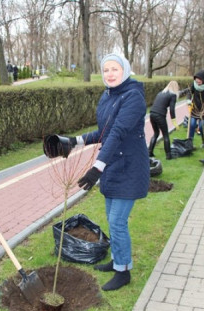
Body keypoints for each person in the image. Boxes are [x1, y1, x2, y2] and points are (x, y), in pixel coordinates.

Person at [53, 53, 150, 291]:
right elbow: (104, 132)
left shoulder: (133, 97)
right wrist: (73, 141)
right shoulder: (107, 95)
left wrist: (97, 167)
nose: (110, 74)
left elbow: (117, 133)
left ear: (125, 70)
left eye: (114, 69)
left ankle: (123, 271)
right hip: (112, 166)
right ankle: (117, 260)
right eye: (106, 70)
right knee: (112, 218)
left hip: (128, 167)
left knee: (117, 222)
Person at [182, 70, 204, 148]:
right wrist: (188, 100)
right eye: (196, 81)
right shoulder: (194, 84)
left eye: (199, 81)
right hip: (195, 108)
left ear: (203, 80)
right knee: (192, 124)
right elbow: (190, 92)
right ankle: (190, 143)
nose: (198, 83)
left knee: (201, 126)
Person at [148, 81, 180, 160]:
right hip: (160, 115)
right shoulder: (173, 95)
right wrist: (174, 122)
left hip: (152, 114)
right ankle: (168, 156)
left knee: (156, 133)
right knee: (165, 135)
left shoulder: (160, 93)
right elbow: (172, 109)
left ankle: (149, 152)